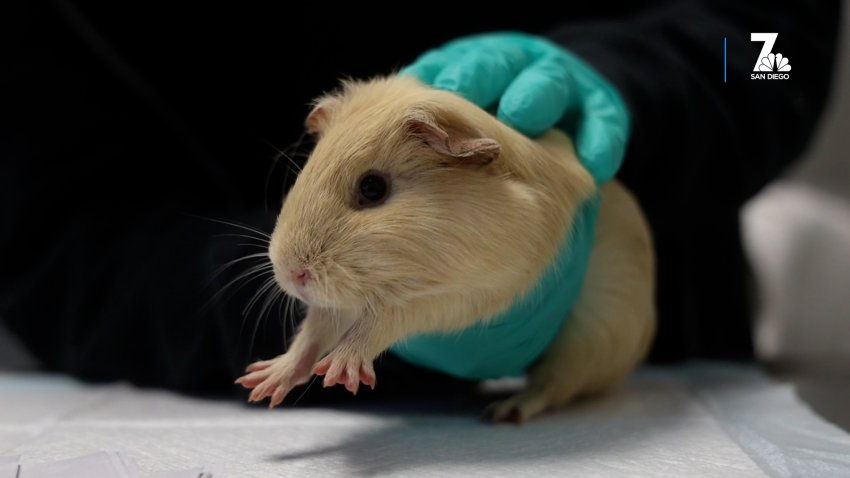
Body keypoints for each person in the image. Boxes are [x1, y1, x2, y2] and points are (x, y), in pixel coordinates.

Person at [0, 1, 841, 398]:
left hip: (668, 390)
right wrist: (300, 333)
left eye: (370, 187)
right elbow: (54, 233)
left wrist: (647, 77)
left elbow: (778, 52)